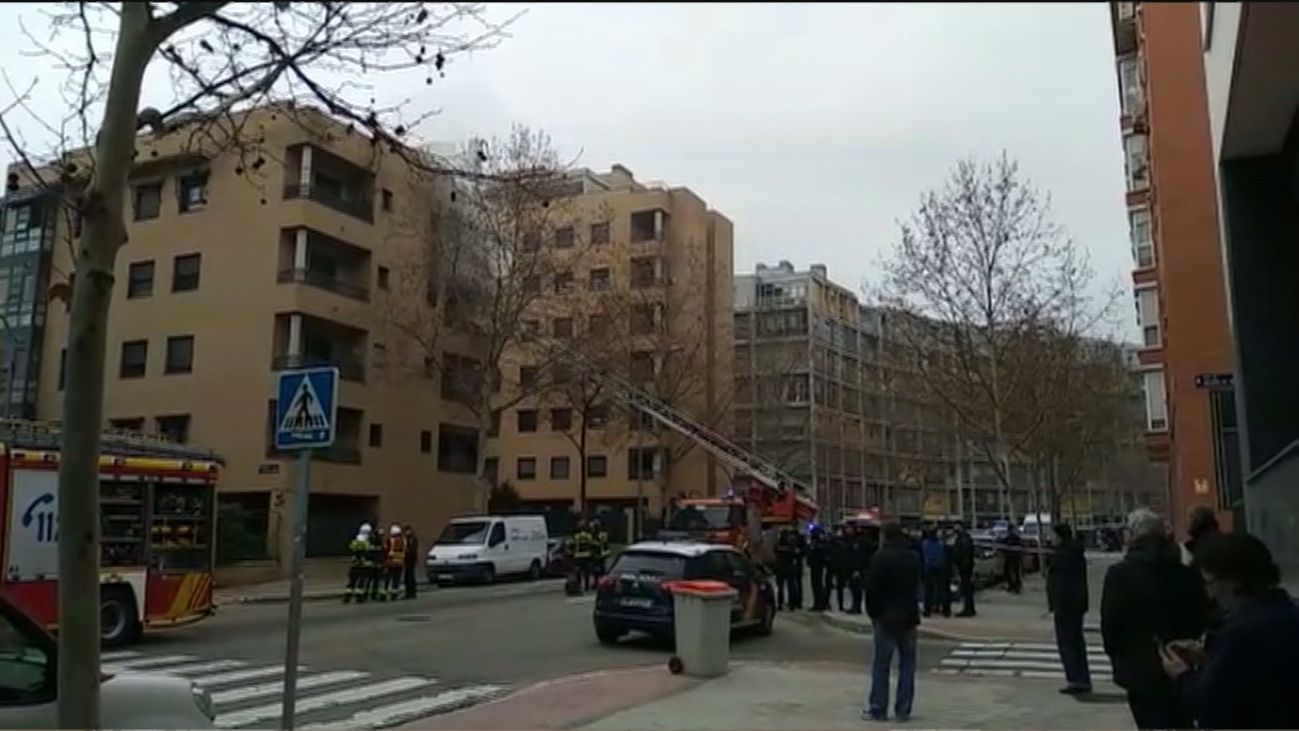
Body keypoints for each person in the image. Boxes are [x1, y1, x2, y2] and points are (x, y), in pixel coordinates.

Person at [1158, 532, 1299, 730]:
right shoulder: (1288, 612)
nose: (1209, 594)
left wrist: (1182, 675)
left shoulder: (1241, 632)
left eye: (1210, 583)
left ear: (1234, 580)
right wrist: (1211, 660)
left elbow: (1209, 703)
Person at [1100, 508, 1209, 730]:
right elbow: (1200, 616)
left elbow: (1111, 626)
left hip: (1139, 668)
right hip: (1181, 664)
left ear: (1133, 536)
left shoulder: (1120, 574)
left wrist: (1120, 659)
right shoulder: (1185, 573)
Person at [863, 522, 922, 722]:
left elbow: (872, 588)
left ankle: (878, 707)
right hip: (908, 617)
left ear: (885, 537)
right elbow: (916, 586)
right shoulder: (911, 557)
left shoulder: (880, 558)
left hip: (885, 617)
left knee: (881, 664)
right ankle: (903, 708)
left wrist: (873, 613)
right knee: (907, 664)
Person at [1047, 524, 1092, 695]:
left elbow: (1060, 582)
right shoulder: (1071, 552)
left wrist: (1056, 602)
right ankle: (1080, 679)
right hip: (1073, 604)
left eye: (1053, 535)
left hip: (1066, 604)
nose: (1050, 538)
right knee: (1074, 642)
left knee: (1068, 643)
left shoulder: (1065, 555)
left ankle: (1076, 680)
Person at [920, 527, 951, 618]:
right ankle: (946, 610)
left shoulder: (925, 544)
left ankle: (927, 611)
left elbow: (923, 556)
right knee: (943, 590)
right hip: (940, 567)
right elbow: (945, 555)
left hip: (928, 568)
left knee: (929, 591)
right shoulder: (941, 544)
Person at [950, 523, 977, 617]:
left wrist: (959, 563)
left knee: (966, 589)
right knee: (967, 589)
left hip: (965, 567)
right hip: (966, 566)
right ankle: (970, 609)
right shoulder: (964, 538)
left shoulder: (963, 539)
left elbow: (961, 553)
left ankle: (968, 610)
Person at [344, 523, 375, 603]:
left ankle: (347, 597)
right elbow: (369, 552)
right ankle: (359, 598)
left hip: (354, 565)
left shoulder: (355, 541)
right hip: (363, 565)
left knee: (352, 582)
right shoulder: (366, 542)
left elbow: (350, 550)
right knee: (361, 583)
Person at [828, 526, 853, 612]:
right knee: (841, 586)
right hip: (842, 566)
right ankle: (840, 605)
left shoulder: (835, 541)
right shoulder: (848, 541)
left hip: (838, 566)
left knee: (839, 587)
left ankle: (840, 605)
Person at [774, 528, 800, 611]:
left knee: (780, 587)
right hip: (790, 567)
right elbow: (795, 554)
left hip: (780, 567)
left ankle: (780, 605)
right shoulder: (791, 545)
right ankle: (791, 605)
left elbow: (775, 553)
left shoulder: (778, 545)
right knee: (791, 587)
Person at [807, 526, 830, 611]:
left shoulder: (818, 544)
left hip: (817, 566)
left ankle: (820, 604)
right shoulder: (818, 543)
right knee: (817, 585)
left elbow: (815, 555)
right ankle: (819, 603)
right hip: (815, 566)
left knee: (817, 585)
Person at [383, 524, 406, 601]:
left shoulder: (390, 540)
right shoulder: (403, 541)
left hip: (391, 562)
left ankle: (384, 594)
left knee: (387, 579)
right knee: (396, 580)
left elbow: (385, 550)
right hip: (400, 563)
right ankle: (394, 595)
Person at [572, 521, 594, 592]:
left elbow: (573, 545)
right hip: (587, 556)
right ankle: (587, 587)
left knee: (578, 573)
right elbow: (591, 545)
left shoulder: (576, 536)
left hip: (578, 556)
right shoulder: (589, 536)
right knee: (586, 573)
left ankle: (578, 586)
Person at [1002, 525, 1023, 594]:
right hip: (1015, 557)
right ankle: (1016, 586)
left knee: (1009, 572)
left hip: (1010, 557)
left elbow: (1003, 545)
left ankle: (1013, 586)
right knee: (1015, 572)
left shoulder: (1009, 537)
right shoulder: (1016, 537)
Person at [402, 525, 419, 600]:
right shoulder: (408, 539)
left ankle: (411, 593)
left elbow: (411, 550)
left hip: (410, 560)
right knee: (408, 577)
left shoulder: (412, 539)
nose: (406, 533)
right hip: (408, 560)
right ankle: (409, 592)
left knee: (410, 577)